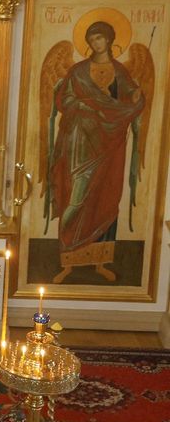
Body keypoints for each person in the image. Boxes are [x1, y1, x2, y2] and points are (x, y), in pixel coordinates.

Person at [45, 21, 145, 282]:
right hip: (80, 141)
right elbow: (64, 100)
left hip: (109, 144)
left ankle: (100, 262)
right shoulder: (78, 71)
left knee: (105, 197)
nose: (95, 44)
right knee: (75, 199)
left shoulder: (120, 71)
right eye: (91, 40)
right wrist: (86, 105)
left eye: (99, 38)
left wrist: (136, 97)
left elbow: (130, 99)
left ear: (109, 40)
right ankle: (67, 258)